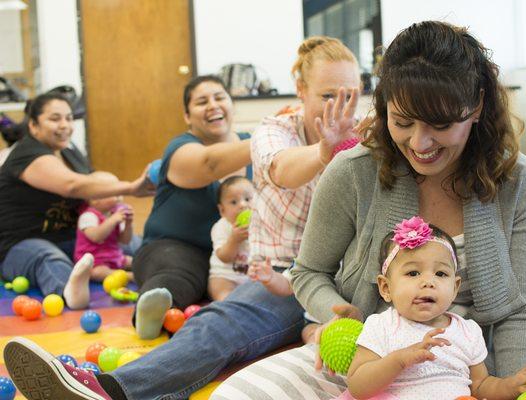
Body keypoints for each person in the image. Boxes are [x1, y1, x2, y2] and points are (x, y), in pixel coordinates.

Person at [208, 20, 526, 399]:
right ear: (383, 108)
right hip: (372, 364)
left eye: (441, 125)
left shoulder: (522, 182)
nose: (420, 142)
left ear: (477, 106)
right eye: (403, 122)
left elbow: (520, 311)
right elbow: (309, 271)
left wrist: (514, 386)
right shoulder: (352, 172)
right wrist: (336, 313)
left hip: (480, 367)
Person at [2, 36, 362, 400]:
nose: (341, 111)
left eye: (351, 96)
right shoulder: (267, 133)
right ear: (301, 90)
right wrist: (323, 151)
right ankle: (112, 387)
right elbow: (279, 168)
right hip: (255, 266)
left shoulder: (356, 134)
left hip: (327, 275)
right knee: (217, 319)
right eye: (328, 97)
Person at [341, 216, 526, 400]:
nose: (428, 282)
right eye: (413, 273)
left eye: (440, 274)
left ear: (455, 287)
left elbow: (481, 386)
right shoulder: (382, 326)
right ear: (386, 287)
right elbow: (358, 386)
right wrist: (399, 360)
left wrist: (511, 385)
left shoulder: (467, 332)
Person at [126, 74, 253, 339]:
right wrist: (269, 141)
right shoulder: (181, 147)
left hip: (237, 255)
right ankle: (154, 310)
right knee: (178, 273)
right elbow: (210, 164)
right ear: (187, 116)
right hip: (175, 247)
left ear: (232, 104)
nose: (213, 105)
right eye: (201, 101)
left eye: (220, 97)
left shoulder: (248, 143)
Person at [0, 92, 153, 311]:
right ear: (33, 125)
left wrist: (118, 216)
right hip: (21, 244)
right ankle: (70, 294)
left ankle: (168, 271)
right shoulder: (27, 154)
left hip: (74, 239)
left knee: (136, 244)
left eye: (69, 118)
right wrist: (130, 187)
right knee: (48, 258)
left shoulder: (69, 153)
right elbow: (72, 185)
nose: (65, 125)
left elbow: (95, 188)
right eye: (55, 119)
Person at [74, 172, 135, 282]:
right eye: (114, 194)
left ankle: (146, 270)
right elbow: (96, 237)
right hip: (95, 261)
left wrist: (128, 225)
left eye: (120, 193)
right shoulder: (88, 216)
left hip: (115, 256)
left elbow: (125, 240)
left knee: (135, 261)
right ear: (95, 198)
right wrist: (112, 220)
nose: (120, 198)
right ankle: (129, 276)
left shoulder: (114, 214)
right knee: (97, 273)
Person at [208, 176, 254, 301]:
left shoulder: (260, 225)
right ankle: (226, 305)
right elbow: (224, 257)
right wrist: (234, 240)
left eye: (248, 199)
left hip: (251, 278)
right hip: (225, 276)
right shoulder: (221, 227)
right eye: (234, 202)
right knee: (222, 292)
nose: (243, 205)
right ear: (222, 210)